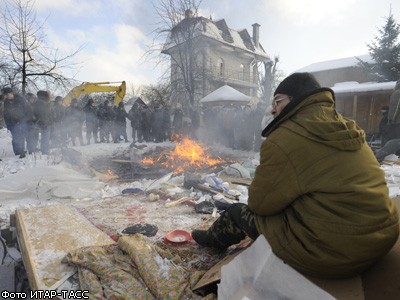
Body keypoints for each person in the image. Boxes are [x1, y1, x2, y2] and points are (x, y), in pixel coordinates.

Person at [191, 72, 399, 279]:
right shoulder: (346, 126)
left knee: (237, 212)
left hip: (335, 254)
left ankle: (211, 240)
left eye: (278, 101)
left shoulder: (285, 138)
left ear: (295, 100)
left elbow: (259, 204)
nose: (273, 109)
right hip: (380, 239)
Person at [2, 87, 31, 158]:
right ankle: (17, 152)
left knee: (20, 137)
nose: (6, 96)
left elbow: (28, 111)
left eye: (7, 94)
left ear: (11, 93)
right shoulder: (6, 102)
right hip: (12, 123)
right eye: (5, 95)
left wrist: (24, 121)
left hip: (21, 122)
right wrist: (8, 124)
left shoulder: (21, 99)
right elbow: (6, 114)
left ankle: (21, 152)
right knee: (15, 138)